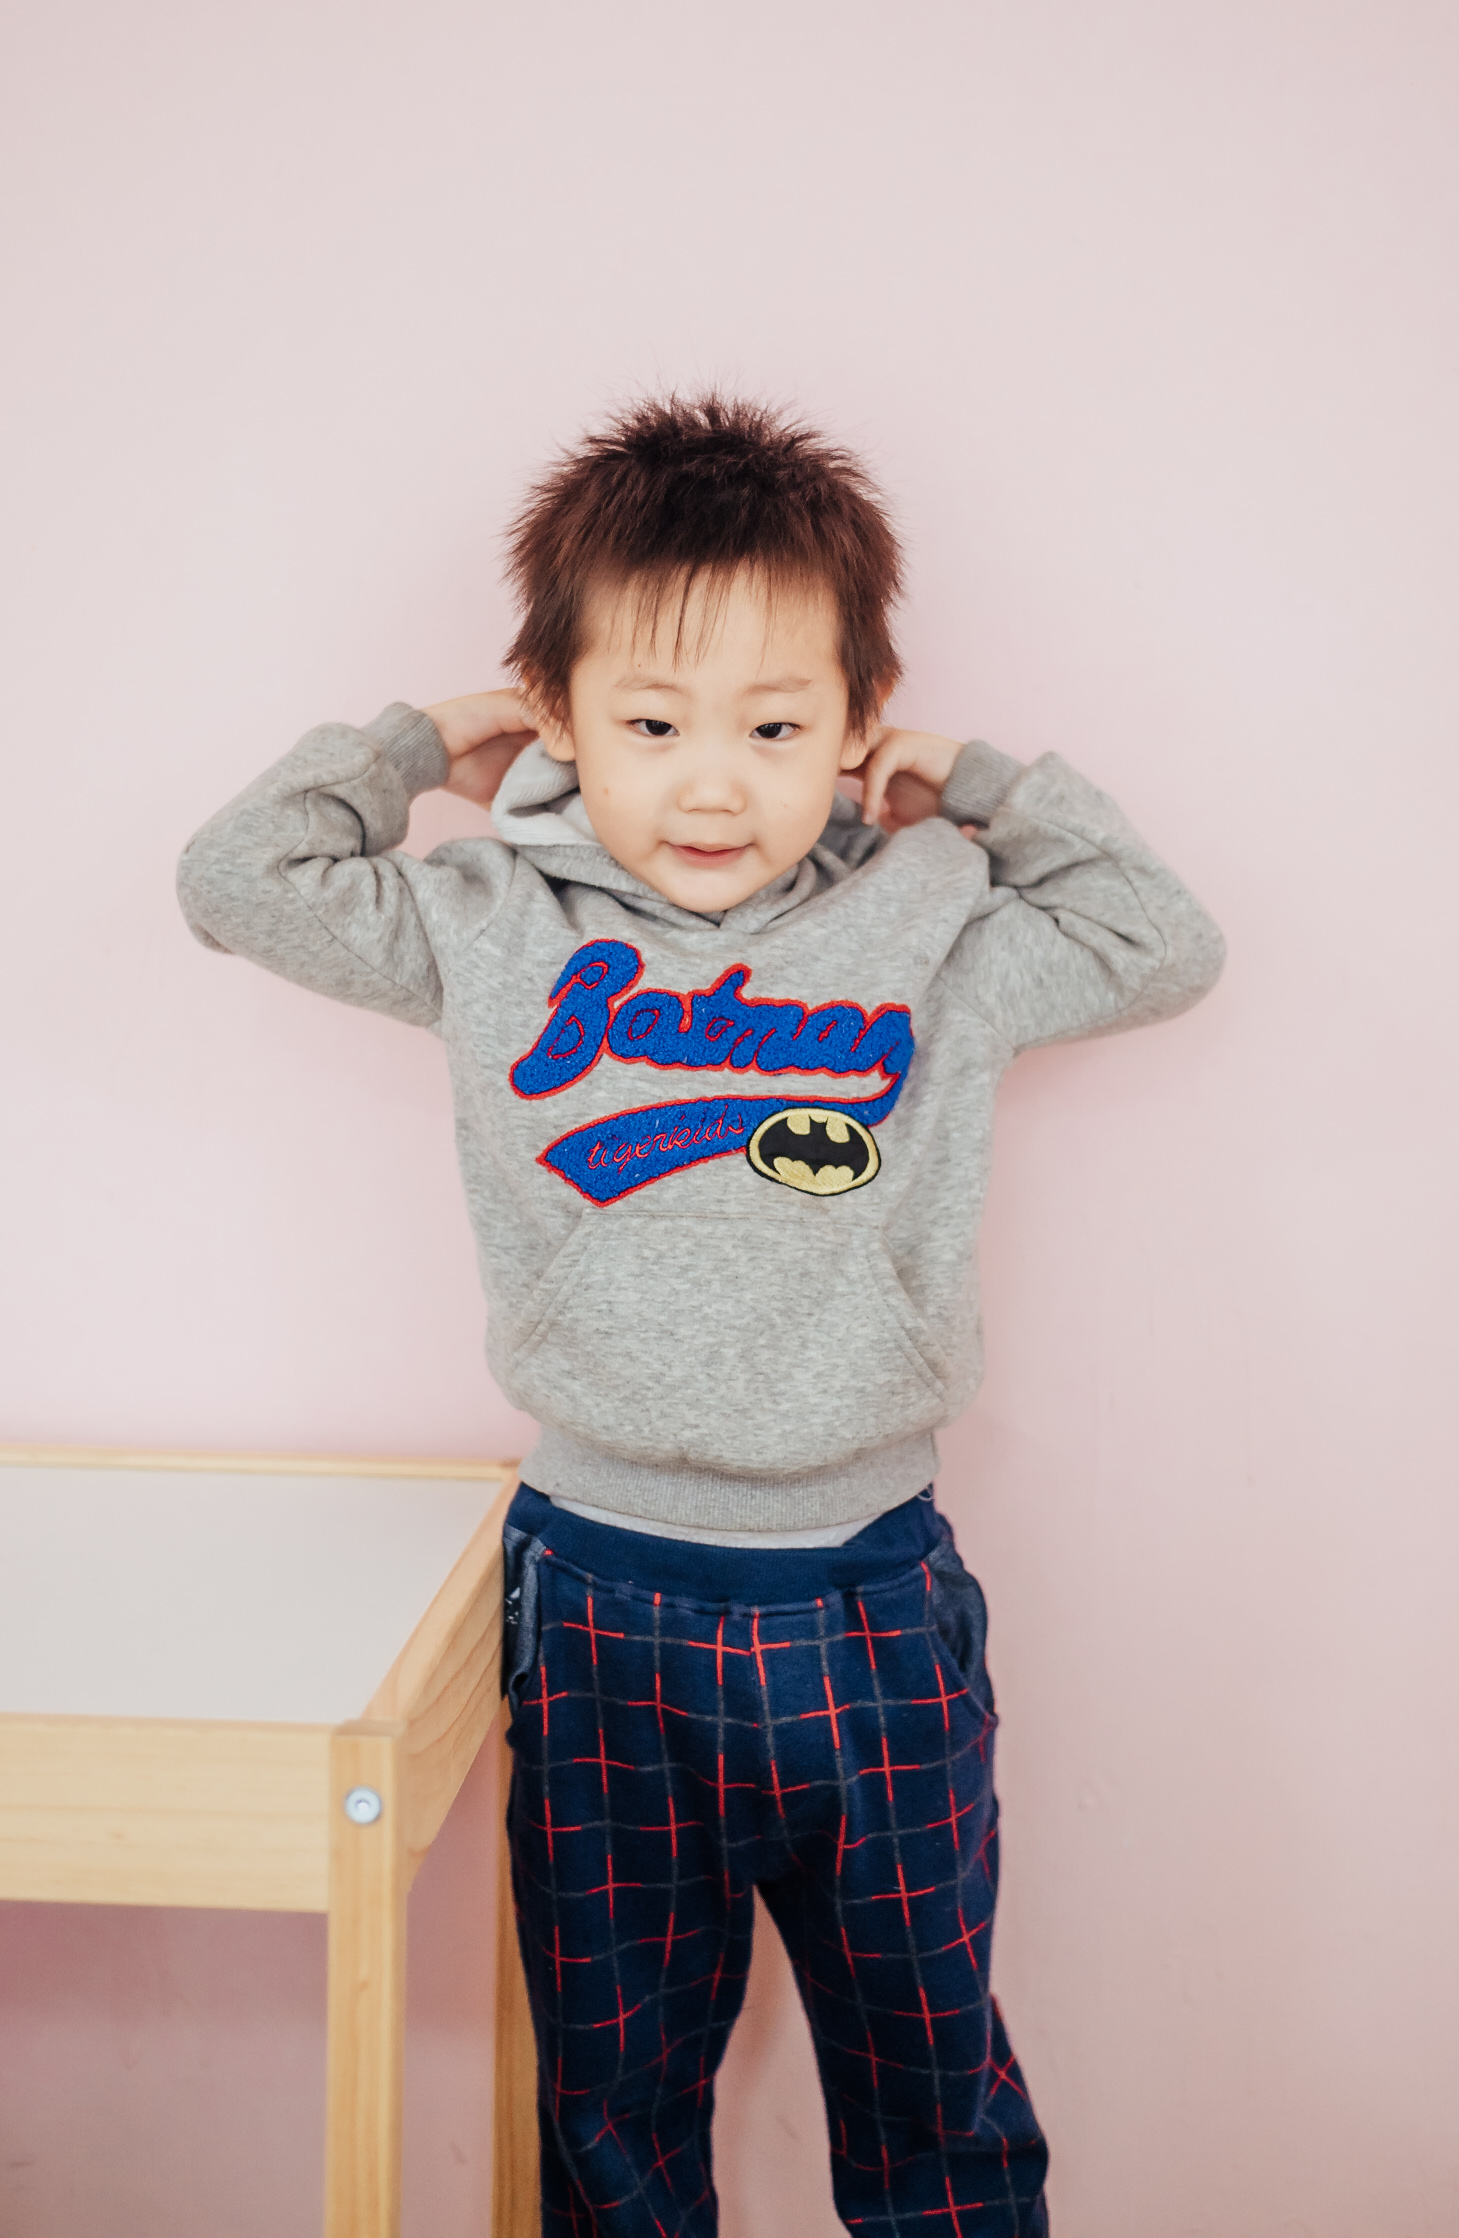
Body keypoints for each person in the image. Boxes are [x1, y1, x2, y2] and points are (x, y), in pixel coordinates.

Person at [178, 394, 1223, 2236]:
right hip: (600, 1600)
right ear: (560, 716)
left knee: (933, 2091)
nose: (714, 785)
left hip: (867, 1597)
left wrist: (983, 786)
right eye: (651, 725)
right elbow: (233, 879)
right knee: (614, 2108)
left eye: (775, 726)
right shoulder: (488, 922)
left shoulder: (933, 931)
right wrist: (418, 741)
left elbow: (1164, 943)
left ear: (856, 725)